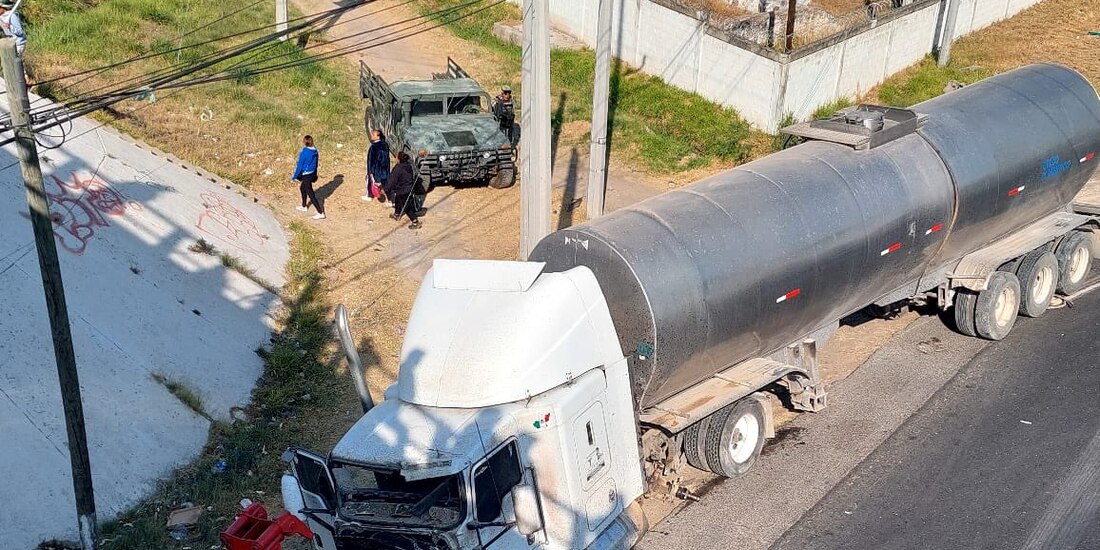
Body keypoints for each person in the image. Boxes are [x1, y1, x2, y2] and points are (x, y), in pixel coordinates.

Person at [385, 151, 422, 230]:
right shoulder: (409, 166)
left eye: (396, 157)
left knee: (407, 207)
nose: (395, 158)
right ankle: (397, 214)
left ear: (398, 159)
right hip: (408, 188)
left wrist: (386, 189)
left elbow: (392, 181)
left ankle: (415, 221)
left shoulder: (398, 169)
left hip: (402, 190)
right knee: (398, 199)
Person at [292, 135, 325, 220]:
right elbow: (316, 163)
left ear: (304, 142)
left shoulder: (304, 152)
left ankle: (320, 212)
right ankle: (304, 206)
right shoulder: (315, 151)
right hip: (312, 173)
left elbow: (299, 166)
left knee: (311, 194)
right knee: (302, 188)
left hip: (306, 175)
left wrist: (294, 177)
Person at [364, 129, 390, 202]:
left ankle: (369, 195)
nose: (372, 136)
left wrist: (370, 171)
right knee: (386, 183)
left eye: (373, 135)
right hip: (385, 168)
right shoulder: (385, 145)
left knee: (370, 182)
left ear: (378, 137)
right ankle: (390, 199)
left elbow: (371, 160)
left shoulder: (373, 147)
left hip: (375, 169)